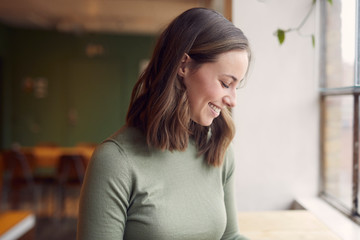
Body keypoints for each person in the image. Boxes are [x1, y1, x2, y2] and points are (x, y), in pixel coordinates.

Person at [77, 7, 251, 240]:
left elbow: (229, 237)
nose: (233, 100)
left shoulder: (219, 149)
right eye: (224, 83)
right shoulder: (115, 161)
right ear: (183, 66)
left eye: (236, 86)